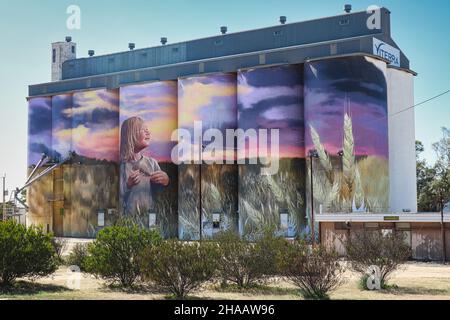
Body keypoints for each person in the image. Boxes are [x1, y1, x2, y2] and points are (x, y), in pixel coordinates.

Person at [120, 116, 169, 216]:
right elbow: (118, 196)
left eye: (148, 130)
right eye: (144, 130)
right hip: (130, 219)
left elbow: (160, 192)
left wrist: (165, 181)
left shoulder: (152, 163)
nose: (148, 133)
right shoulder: (122, 167)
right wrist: (128, 185)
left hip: (150, 217)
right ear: (131, 135)